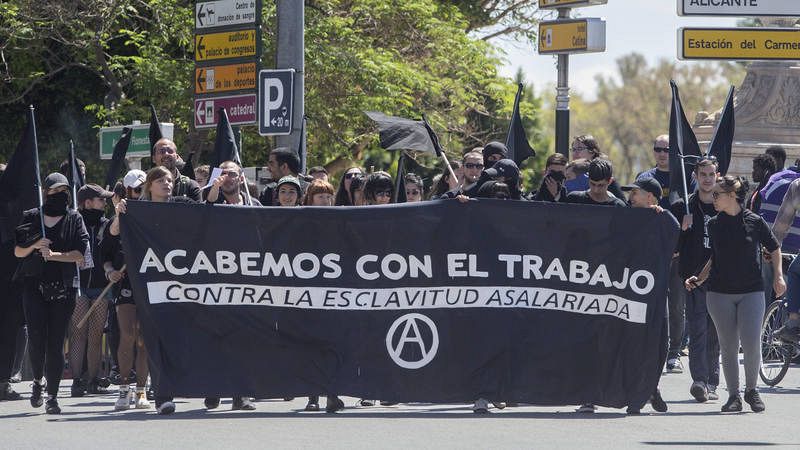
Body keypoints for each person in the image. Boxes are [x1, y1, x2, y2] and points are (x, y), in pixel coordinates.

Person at [685, 175, 785, 413]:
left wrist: (779, 276)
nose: (713, 198)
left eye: (717, 194)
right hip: (719, 292)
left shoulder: (754, 221)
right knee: (728, 346)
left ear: (732, 196)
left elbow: (774, 248)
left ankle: (752, 390)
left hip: (751, 291)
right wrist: (699, 278)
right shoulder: (714, 224)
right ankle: (733, 396)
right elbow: (714, 257)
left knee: (751, 343)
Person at [14, 173, 89, 414]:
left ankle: (53, 396)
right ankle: (38, 381)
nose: (60, 195)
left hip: (63, 288)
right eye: (55, 191)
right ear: (46, 192)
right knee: (37, 339)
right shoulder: (32, 216)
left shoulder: (74, 218)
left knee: (56, 343)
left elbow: (79, 254)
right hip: (34, 286)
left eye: (64, 191)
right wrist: (35, 245)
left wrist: (55, 255)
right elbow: (18, 251)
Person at [670, 158, 721, 403]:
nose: (707, 179)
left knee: (715, 331)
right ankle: (699, 381)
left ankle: (712, 381)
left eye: (711, 174)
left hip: (721, 278)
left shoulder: (724, 203)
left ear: (717, 175)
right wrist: (682, 229)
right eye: (703, 174)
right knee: (698, 328)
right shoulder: (684, 206)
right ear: (695, 176)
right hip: (693, 278)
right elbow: (673, 246)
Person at [620, 177, 672, 413]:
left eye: (636, 193)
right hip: (629, 292)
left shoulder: (663, 219)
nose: (630, 197)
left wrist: (662, 216)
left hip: (657, 292)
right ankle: (637, 393)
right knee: (634, 343)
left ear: (650, 197)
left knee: (661, 343)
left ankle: (652, 386)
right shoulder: (625, 216)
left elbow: (674, 239)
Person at [67, 184, 114, 398]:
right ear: (87, 203)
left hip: (102, 286)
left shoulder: (107, 224)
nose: (105, 203)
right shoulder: (73, 222)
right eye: (101, 200)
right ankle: (77, 381)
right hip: (77, 285)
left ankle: (93, 380)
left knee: (95, 336)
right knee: (77, 334)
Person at [569, 135, 625, 200]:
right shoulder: (567, 172)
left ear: (592, 151)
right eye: (573, 149)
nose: (575, 153)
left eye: (579, 149)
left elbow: (622, 204)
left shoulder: (603, 174)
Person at [636, 135, 671, 209]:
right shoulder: (643, 178)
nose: (662, 154)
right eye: (658, 149)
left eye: (666, 150)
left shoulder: (684, 177)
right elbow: (634, 205)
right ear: (653, 151)